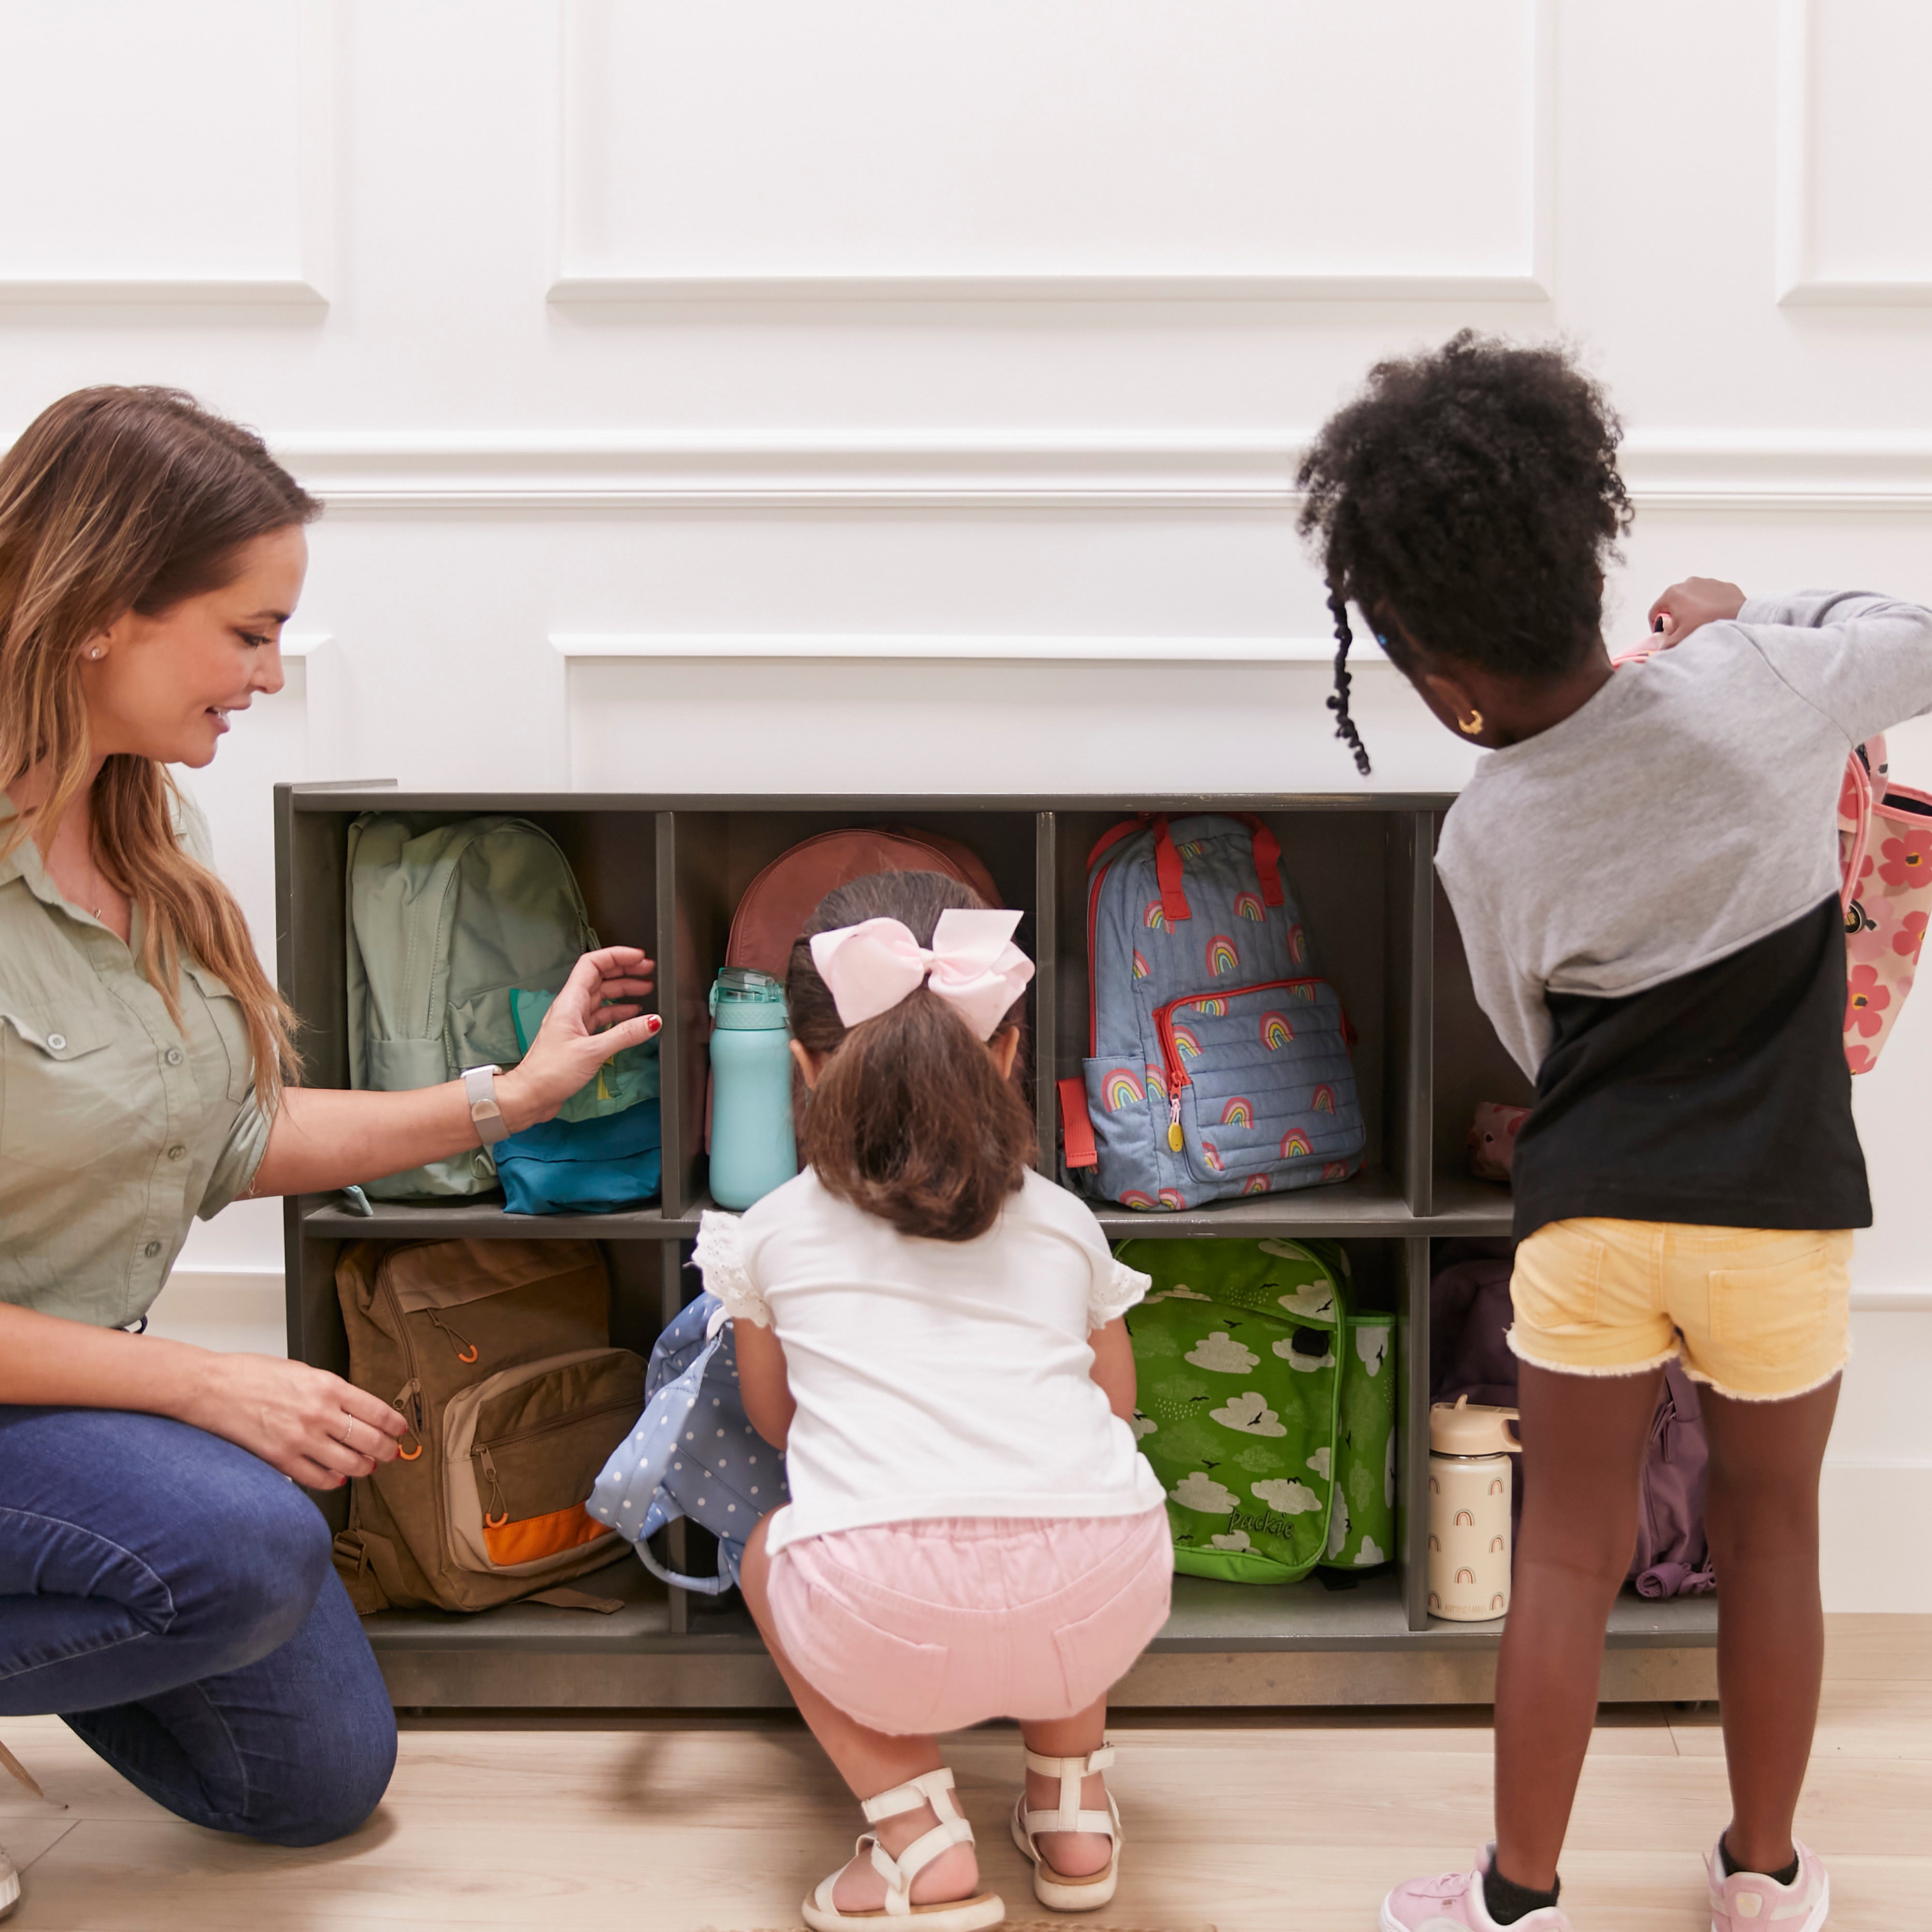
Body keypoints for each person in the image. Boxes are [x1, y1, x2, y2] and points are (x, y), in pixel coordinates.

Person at [1297, 332, 1931, 1932]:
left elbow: (1529, 1033)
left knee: (1565, 1558)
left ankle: (1519, 1900)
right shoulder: (1760, 682)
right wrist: (1750, 611)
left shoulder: (1487, 828)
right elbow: (1910, 636)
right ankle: (1767, 1881)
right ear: (1594, 545)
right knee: (1772, 1531)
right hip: (1784, 1207)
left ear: (1440, 682)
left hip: (1588, 1219)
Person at [0, 386, 660, 1905]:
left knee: (311, 1785)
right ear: (103, 609)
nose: (270, 673)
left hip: (61, 1384)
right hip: (58, 1386)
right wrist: (205, 1387)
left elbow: (225, 1133)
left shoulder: (153, 841)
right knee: (238, 1543)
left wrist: (510, 1097)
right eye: (245, 630)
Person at [691, 869, 1172, 1932]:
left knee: (771, 1540)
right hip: (1105, 1597)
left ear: (803, 1067)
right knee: (1069, 1478)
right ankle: (1071, 1808)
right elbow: (1114, 1408)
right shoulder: (1061, 1220)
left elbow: (777, 1426)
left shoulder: (766, 1228)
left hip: (879, 1608)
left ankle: (918, 1838)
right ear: (1005, 1055)